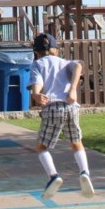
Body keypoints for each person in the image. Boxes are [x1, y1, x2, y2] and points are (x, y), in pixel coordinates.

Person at [27, 33, 95, 200]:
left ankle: (53, 176)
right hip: (71, 107)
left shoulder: (37, 64)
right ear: (55, 50)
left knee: (41, 147)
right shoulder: (64, 63)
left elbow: (38, 82)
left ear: (36, 52)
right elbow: (79, 65)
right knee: (76, 142)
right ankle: (84, 172)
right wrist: (72, 89)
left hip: (53, 108)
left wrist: (36, 94)